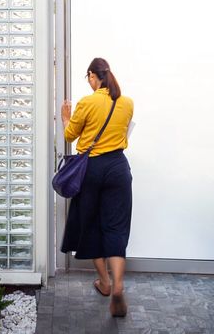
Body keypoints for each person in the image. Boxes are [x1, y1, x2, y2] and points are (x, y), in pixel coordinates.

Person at [60, 56, 134, 318]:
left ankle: (104, 283)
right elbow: (125, 134)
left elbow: (70, 136)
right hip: (118, 168)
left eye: (88, 77)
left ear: (93, 76)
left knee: (91, 225)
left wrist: (66, 118)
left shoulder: (88, 102)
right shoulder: (126, 103)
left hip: (91, 169)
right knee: (115, 227)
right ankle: (119, 286)